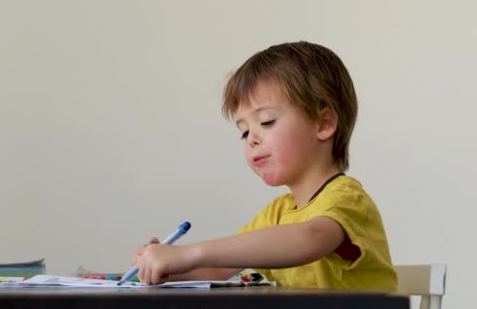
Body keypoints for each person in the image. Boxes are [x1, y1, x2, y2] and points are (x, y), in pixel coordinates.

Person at [132, 41, 397, 291]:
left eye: (267, 122)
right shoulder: (278, 212)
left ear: (323, 123)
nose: (252, 140)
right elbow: (218, 268)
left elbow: (311, 238)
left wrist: (190, 253)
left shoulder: (348, 199)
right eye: (245, 132)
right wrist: (166, 265)